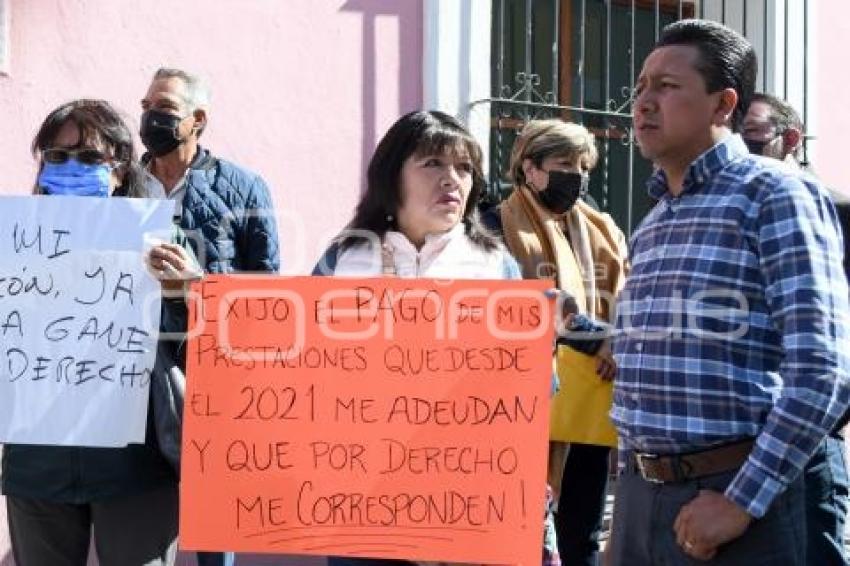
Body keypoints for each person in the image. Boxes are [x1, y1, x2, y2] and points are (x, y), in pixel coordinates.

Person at [609, 19, 850, 565]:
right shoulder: (653, 224)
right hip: (643, 503)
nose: (644, 102)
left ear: (723, 105)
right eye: (641, 87)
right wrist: (630, 501)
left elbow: (823, 370)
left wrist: (741, 502)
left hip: (741, 499)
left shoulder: (775, 195)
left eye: (667, 87)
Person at [313, 110, 560, 566]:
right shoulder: (342, 263)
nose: (452, 179)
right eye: (432, 164)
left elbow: (534, 393)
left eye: (464, 168)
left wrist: (540, 345)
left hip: (466, 503)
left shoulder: (495, 268)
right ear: (392, 177)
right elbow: (302, 378)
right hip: (361, 505)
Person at [2, 99, 195, 566]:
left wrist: (188, 293)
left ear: (118, 170)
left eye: (89, 159)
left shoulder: (163, 243)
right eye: (57, 156)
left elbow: (201, 350)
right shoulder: (13, 244)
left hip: (134, 466)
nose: (71, 168)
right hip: (38, 465)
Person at [139, 67, 280, 566]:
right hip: (132, 369)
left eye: (164, 108)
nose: (149, 117)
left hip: (211, 371)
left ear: (197, 120)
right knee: (142, 506)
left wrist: (201, 284)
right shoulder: (123, 185)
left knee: (215, 516)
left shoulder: (244, 188)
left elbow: (266, 297)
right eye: (145, 106)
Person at [481, 119, 627, 565]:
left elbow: (630, 294)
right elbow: (526, 303)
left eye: (582, 164)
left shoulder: (600, 225)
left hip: (592, 398)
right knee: (526, 530)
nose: (577, 175)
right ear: (530, 168)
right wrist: (597, 340)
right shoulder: (492, 225)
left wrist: (617, 342)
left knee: (582, 531)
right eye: (564, 163)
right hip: (528, 402)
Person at [743, 93, 850, 565]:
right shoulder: (718, 209)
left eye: (752, 139)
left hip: (812, 436)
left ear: (789, 140)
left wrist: (828, 415)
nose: (740, 150)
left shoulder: (835, 210)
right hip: (738, 437)